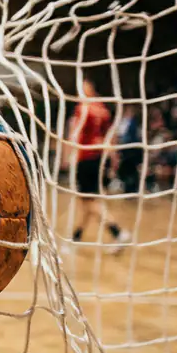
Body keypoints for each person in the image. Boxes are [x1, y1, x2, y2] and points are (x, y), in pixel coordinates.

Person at [65, 78, 129, 250]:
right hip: (101, 158)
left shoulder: (83, 108)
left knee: (90, 203)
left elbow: (74, 134)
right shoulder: (103, 109)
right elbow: (111, 135)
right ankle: (76, 237)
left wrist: (67, 155)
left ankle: (118, 232)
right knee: (88, 202)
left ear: (89, 90)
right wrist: (114, 158)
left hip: (86, 157)